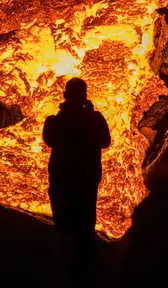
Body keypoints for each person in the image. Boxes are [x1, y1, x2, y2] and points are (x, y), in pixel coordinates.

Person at [42, 78, 111, 275]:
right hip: (86, 181)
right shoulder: (95, 119)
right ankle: (86, 268)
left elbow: (49, 139)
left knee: (63, 222)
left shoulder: (55, 120)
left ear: (65, 96)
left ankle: (66, 268)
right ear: (85, 97)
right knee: (85, 223)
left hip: (61, 180)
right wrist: (90, 116)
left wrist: (63, 113)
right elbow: (105, 142)